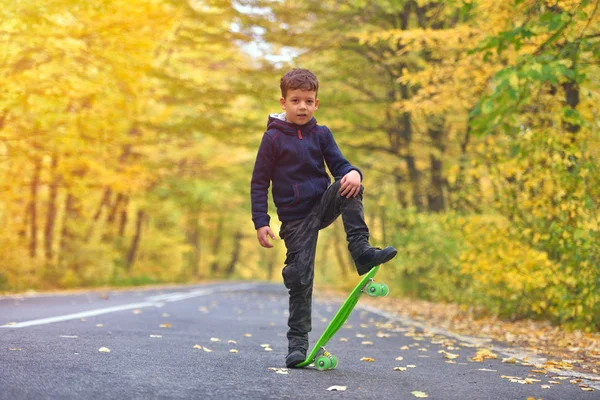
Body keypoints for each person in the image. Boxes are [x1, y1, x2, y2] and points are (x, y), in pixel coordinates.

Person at [250, 68, 397, 368]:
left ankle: (361, 250)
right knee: (300, 278)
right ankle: (298, 344)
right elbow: (259, 181)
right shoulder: (273, 138)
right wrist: (261, 221)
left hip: (321, 203)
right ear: (283, 103)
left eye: (308, 101)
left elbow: (340, 165)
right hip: (294, 219)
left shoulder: (322, 134)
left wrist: (354, 172)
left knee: (351, 184)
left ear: (316, 103)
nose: (302, 106)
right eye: (295, 101)